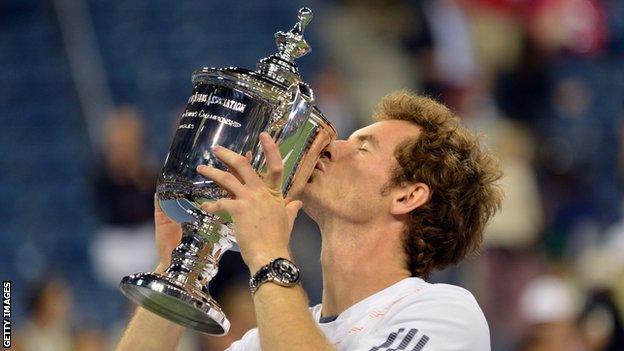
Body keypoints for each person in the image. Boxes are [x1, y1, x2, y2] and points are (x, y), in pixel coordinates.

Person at [116, 91, 503, 350]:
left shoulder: (445, 313)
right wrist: (177, 269)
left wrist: (267, 251)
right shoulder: (263, 337)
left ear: (408, 196)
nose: (331, 147)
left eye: (363, 148)